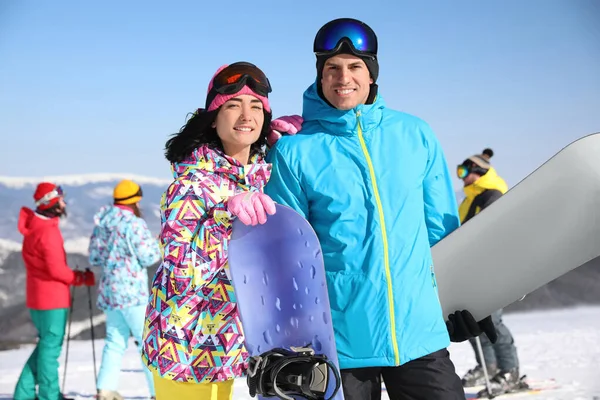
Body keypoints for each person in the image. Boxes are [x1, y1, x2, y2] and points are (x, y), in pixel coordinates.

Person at [264, 17, 496, 400]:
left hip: (418, 334)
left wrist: (463, 298)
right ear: (320, 77)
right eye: (332, 69)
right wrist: (293, 337)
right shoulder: (295, 150)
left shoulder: (414, 134)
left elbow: (441, 228)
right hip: (340, 343)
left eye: (355, 67)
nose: (344, 77)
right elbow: (288, 252)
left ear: (372, 74)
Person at [141, 61, 298, 400]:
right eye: (233, 106)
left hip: (224, 345)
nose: (246, 115)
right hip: (184, 352)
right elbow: (182, 275)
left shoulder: (253, 176)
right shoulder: (190, 184)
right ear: (213, 118)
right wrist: (223, 217)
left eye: (256, 107)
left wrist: (294, 143)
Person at [14, 182, 95, 400]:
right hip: (52, 300)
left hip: (36, 297)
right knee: (50, 352)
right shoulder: (47, 233)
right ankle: (49, 396)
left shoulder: (33, 227)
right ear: (51, 203)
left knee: (44, 349)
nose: (64, 202)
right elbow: (56, 270)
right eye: (60, 199)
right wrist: (79, 278)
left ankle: (24, 393)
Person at [88, 179, 161, 400]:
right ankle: (157, 393)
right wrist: (157, 244)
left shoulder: (103, 222)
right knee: (147, 342)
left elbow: (94, 256)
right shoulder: (133, 224)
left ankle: (105, 389)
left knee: (114, 340)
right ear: (135, 201)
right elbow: (149, 256)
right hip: (132, 294)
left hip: (110, 292)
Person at [457, 148, 522, 395]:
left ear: (478, 171)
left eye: (464, 171)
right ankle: (489, 367)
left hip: (491, 268)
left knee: (493, 321)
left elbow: (486, 232)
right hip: (472, 268)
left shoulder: (492, 195)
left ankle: (509, 371)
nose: (461, 177)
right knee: (475, 323)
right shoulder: (470, 199)